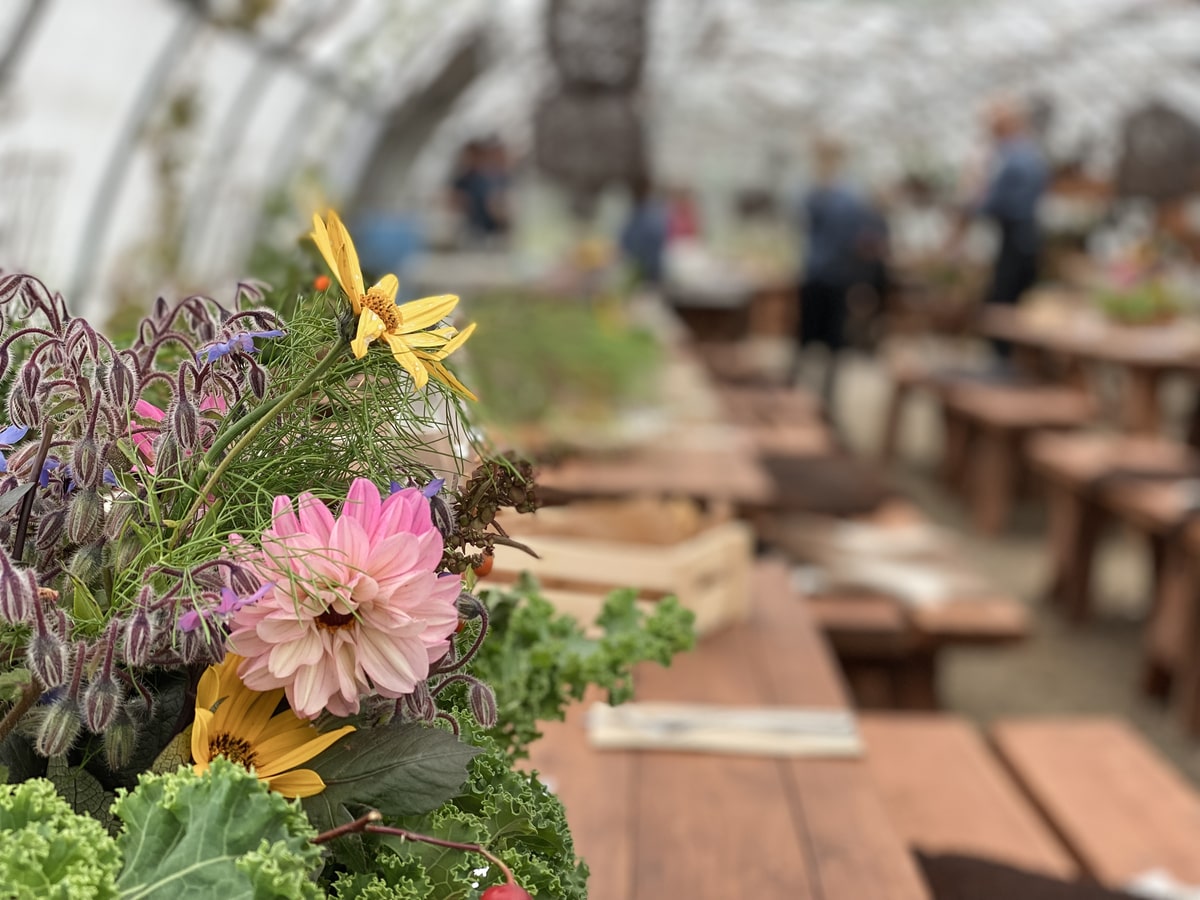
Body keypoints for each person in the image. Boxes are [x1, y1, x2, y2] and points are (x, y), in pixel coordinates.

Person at [791, 138, 868, 410]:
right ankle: (797, 393)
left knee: (833, 341)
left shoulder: (847, 197)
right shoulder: (813, 192)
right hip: (815, 275)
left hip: (836, 277)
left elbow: (854, 240)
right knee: (805, 336)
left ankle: (826, 400)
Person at [970, 98, 1049, 353]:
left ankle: (1003, 355)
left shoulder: (1013, 156)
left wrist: (972, 205)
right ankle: (1014, 354)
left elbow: (994, 201)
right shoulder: (1029, 153)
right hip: (1023, 233)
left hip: (1016, 233)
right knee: (1017, 293)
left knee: (1005, 296)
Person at [619, 174, 669, 285]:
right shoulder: (638, 213)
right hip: (641, 271)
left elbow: (626, 243)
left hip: (649, 272)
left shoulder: (650, 215)